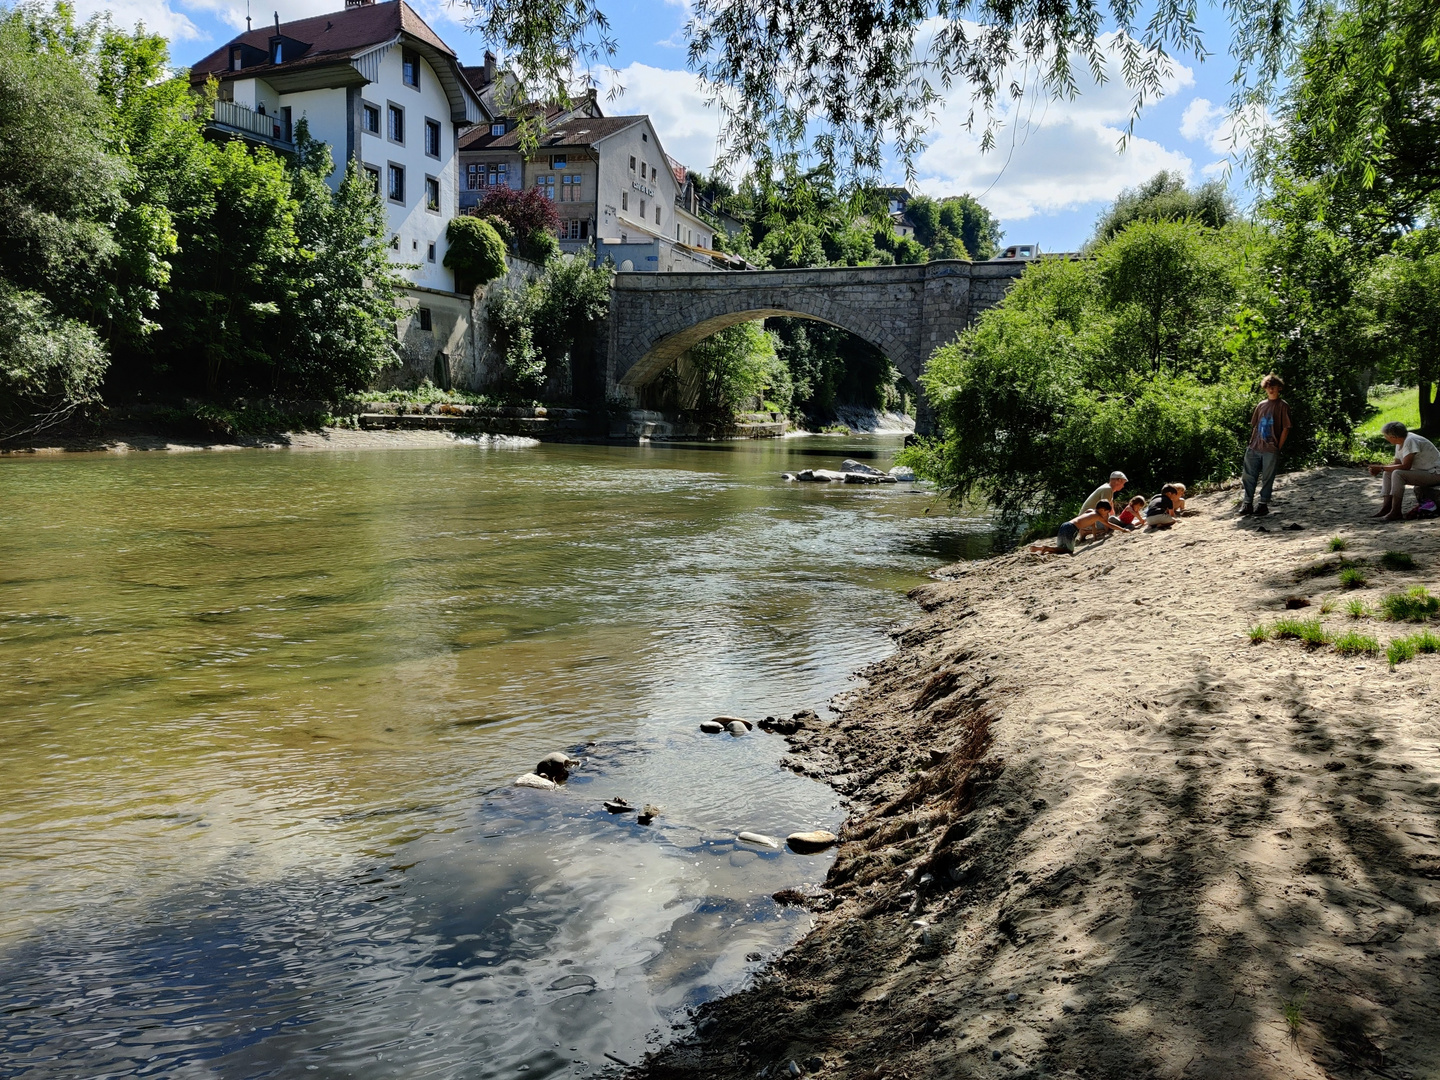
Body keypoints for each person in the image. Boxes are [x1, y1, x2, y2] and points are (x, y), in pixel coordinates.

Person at [1240, 374, 1292, 516]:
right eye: (1268, 387)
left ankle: (1263, 504)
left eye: (1273, 387)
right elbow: (1255, 426)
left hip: (1271, 447)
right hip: (1254, 446)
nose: (1271, 390)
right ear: (1265, 388)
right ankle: (1247, 504)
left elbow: (1286, 428)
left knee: (1268, 477)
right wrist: (1251, 444)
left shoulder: (1283, 406)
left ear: (1279, 388)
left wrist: (1278, 447)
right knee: (1248, 475)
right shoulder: (1261, 405)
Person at [1368, 422, 1440, 521]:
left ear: (1392, 436)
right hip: (1426, 472)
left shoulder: (1411, 441)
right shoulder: (1400, 442)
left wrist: (1380, 468)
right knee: (1388, 472)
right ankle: (1386, 508)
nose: (1385, 438)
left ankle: (1396, 511)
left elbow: (1405, 466)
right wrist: (1382, 469)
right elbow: (1396, 463)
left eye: (1385, 436)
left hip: (1435, 473)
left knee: (1398, 474)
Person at [1029, 501, 1134, 555]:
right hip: (1071, 528)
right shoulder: (1097, 515)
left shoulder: (1090, 511)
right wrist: (1123, 529)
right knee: (1068, 550)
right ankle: (1046, 548)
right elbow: (1109, 525)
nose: (1106, 514)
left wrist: (1094, 538)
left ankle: (1038, 548)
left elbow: (1093, 525)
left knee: (1061, 547)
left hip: (1065, 525)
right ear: (1102, 509)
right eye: (1106, 512)